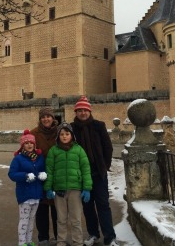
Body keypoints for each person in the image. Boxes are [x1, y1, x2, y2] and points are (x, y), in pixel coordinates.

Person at [71, 96, 119, 246]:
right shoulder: (72, 128)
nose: (83, 113)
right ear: (76, 112)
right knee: (88, 206)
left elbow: (108, 147)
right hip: (81, 175)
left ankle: (109, 237)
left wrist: (104, 166)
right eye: (80, 110)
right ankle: (93, 234)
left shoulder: (99, 125)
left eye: (85, 110)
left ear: (89, 111)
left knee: (103, 205)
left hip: (98, 173)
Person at [44, 122, 93, 246]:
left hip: (75, 189)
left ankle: (77, 242)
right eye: (61, 134)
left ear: (72, 135)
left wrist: (86, 188)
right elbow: (49, 170)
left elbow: (86, 169)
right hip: (59, 190)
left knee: (75, 219)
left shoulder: (78, 150)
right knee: (61, 219)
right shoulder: (53, 151)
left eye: (67, 134)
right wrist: (48, 188)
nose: (64, 136)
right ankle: (61, 242)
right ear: (58, 136)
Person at [8, 129, 47, 246]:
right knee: (24, 220)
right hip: (25, 195)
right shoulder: (18, 159)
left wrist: (43, 174)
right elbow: (12, 174)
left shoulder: (39, 157)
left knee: (31, 220)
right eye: (26, 143)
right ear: (22, 145)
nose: (29, 145)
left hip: (36, 194)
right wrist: (24, 176)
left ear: (34, 144)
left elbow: (43, 169)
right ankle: (22, 242)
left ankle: (29, 241)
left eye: (31, 143)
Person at [30, 107, 58, 246]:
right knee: (41, 209)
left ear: (53, 118)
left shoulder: (60, 132)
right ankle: (43, 238)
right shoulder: (34, 134)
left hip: (56, 176)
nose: (46, 119)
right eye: (43, 117)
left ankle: (59, 237)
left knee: (57, 209)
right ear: (40, 119)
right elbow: (28, 152)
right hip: (39, 176)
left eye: (48, 116)